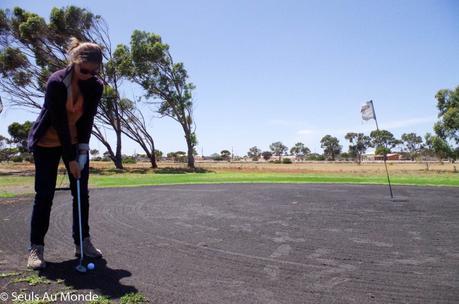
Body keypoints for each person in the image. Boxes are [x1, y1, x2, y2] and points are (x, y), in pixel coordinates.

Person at [26, 37, 104, 269]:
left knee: (81, 193)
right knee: (45, 194)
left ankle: (83, 243)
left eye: (93, 71)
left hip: (76, 142)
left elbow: (87, 120)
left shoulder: (95, 86)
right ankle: (35, 249)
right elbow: (60, 123)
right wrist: (70, 160)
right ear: (74, 61)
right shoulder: (56, 82)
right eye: (83, 69)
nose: (87, 74)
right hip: (48, 143)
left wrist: (82, 152)